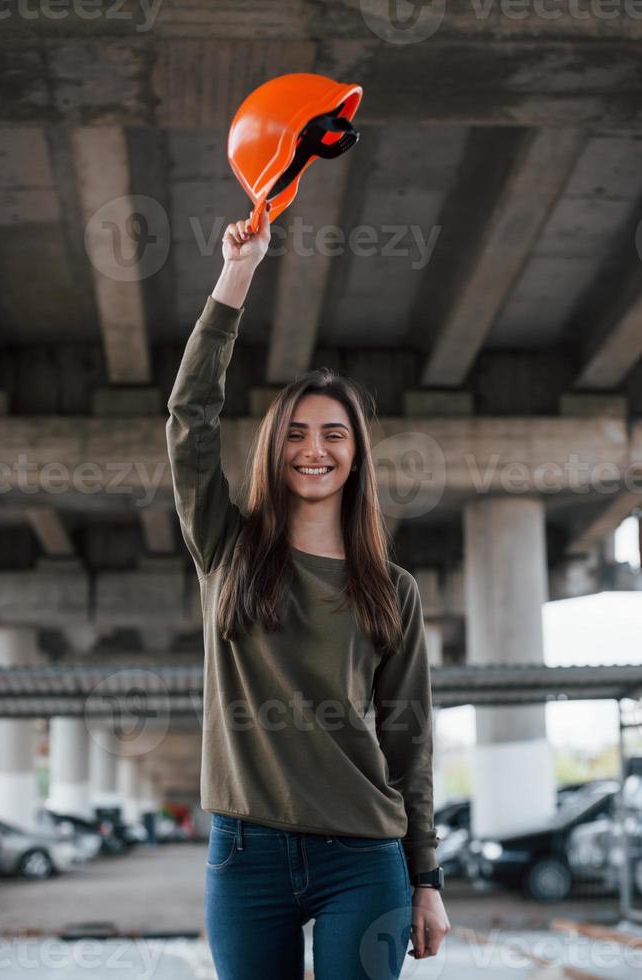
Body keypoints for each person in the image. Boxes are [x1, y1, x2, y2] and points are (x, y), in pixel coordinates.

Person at [166, 204, 451, 979]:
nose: (313, 450)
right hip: (244, 852)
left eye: (334, 434)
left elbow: (408, 741)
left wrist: (425, 879)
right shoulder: (227, 548)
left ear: (357, 456)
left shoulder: (392, 589)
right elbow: (189, 418)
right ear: (273, 447)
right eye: (295, 432)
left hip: (366, 855)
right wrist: (237, 276)